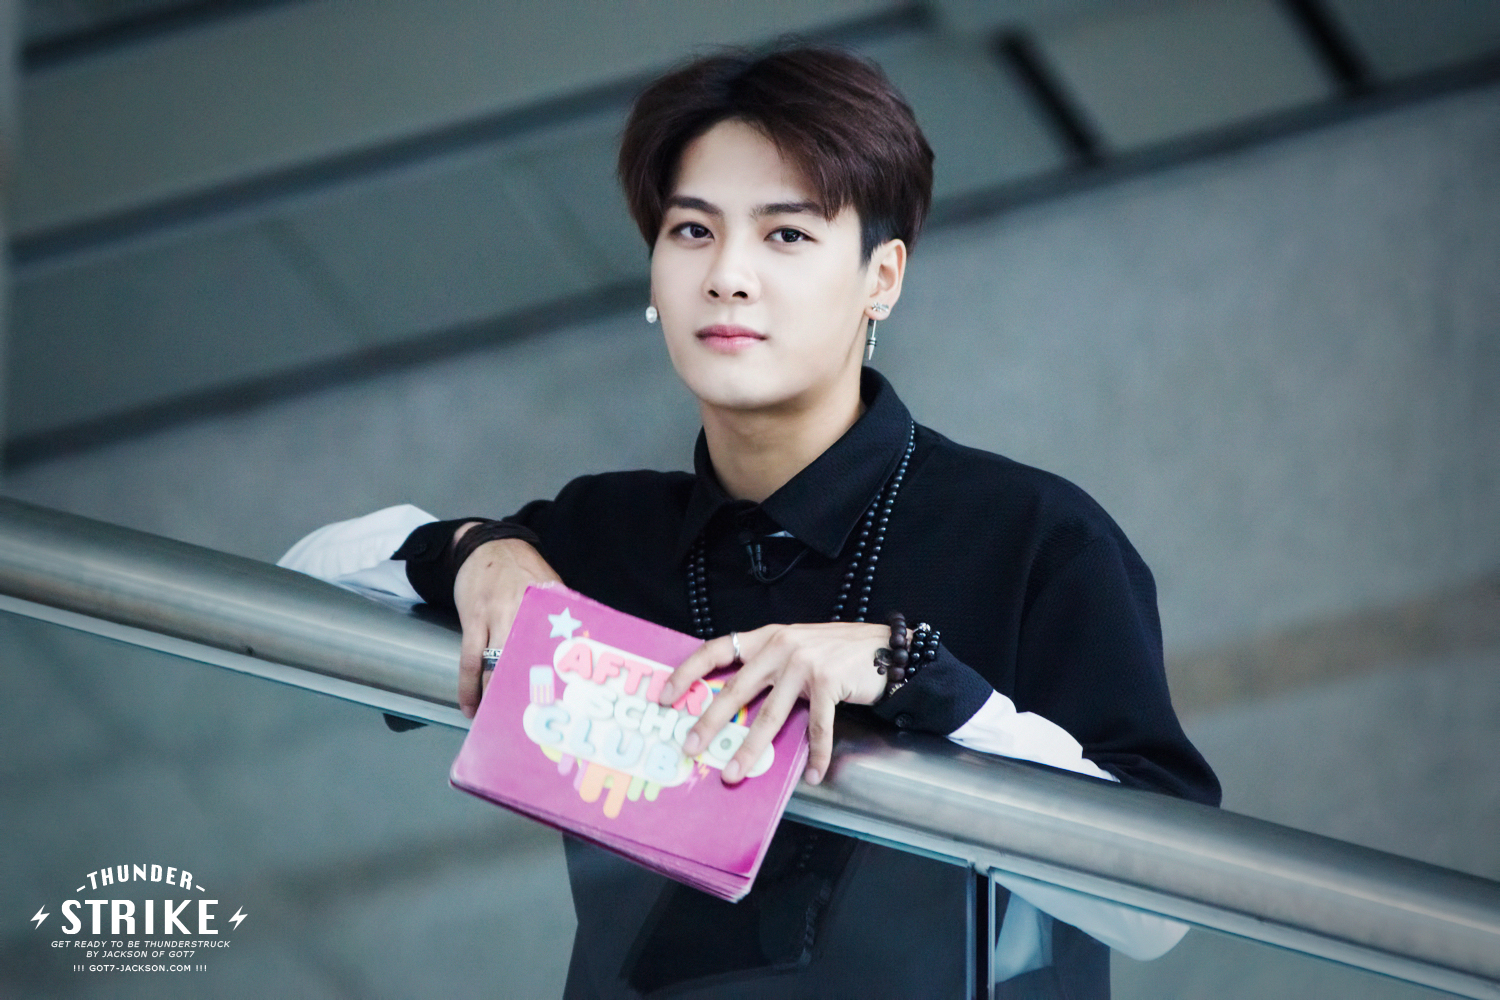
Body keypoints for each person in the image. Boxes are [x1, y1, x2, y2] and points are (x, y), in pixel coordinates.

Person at [282, 45, 1219, 999]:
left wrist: (913, 673)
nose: (728, 275)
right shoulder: (610, 534)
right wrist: (474, 553)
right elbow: (287, 596)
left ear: (882, 277)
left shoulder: (1031, 536)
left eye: (787, 235)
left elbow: (1163, 908)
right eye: (692, 230)